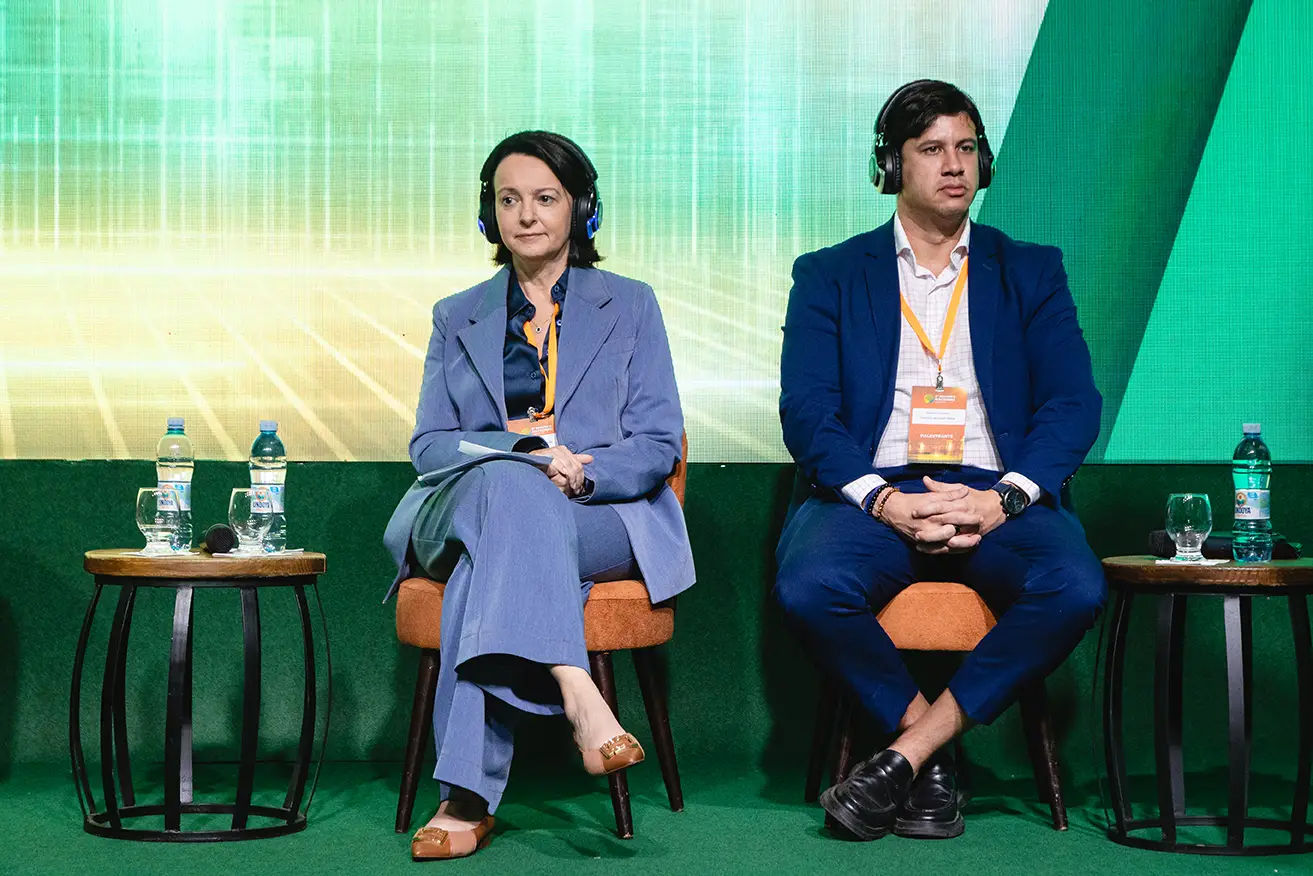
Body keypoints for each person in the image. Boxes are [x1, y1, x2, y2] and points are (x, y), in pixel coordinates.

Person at [774, 80, 1106, 841]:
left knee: (1075, 584)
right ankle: (931, 753)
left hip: (997, 489)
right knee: (808, 585)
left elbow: (1072, 403)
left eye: (967, 148)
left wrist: (1005, 500)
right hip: (874, 492)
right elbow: (808, 412)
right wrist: (885, 503)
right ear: (891, 166)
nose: (954, 165)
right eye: (931, 149)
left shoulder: (1031, 270)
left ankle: (908, 754)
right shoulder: (829, 273)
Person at [382, 130, 694, 860]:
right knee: (508, 484)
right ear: (487, 215)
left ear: (581, 208)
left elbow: (657, 442)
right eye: (508, 200)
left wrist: (582, 472)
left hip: (596, 512)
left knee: (483, 569)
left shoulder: (632, 305)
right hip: (464, 506)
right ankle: (576, 687)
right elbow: (431, 446)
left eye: (545, 198)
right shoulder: (455, 314)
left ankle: (464, 799)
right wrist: (525, 454)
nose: (525, 215)